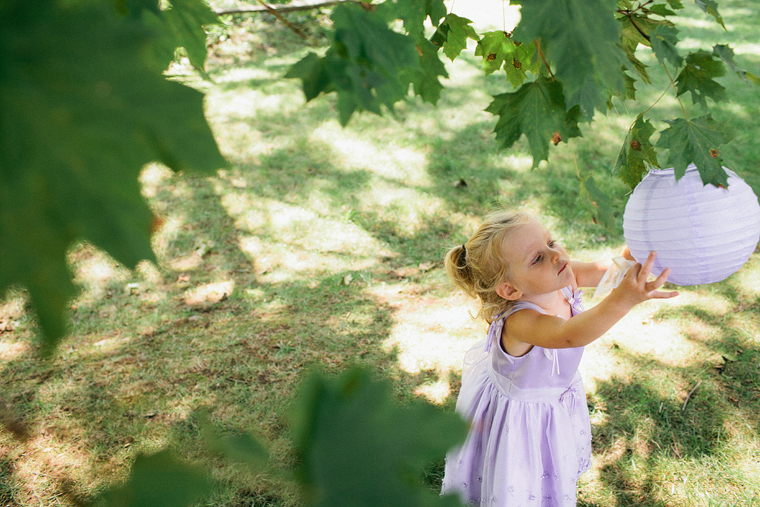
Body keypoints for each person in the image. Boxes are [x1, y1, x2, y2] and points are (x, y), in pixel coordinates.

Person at [440, 210, 678, 506]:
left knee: (547, 474)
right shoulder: (520, 322)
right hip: (521, 419)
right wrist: (624, 299)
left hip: (551, 399)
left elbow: (609, 270)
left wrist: (637, 248)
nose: (556, 255)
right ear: (510, 289)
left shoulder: (562, 275)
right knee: (519, 481)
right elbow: (569, 335)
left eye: (551, 242)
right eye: (537, 258)